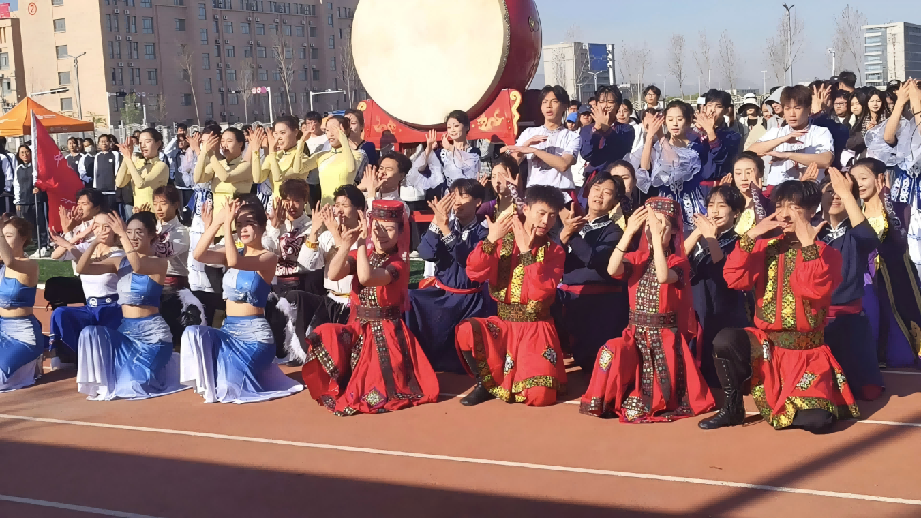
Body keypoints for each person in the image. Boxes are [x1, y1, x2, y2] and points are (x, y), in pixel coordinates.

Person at [699, 181, 858, 432]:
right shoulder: (764, 247)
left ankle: (785, 403)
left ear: (812, 211)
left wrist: (808, 247)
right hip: (767, 348)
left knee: (817, 422)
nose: (784, 214)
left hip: (806, 355)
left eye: (794, 207)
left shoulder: (827, 254)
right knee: (725, 340)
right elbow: (733, 278)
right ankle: (732, 408)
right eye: (780, 206)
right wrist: (751, 236)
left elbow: (813, 290)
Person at [580, 196, 715, 422]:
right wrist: (628, 233)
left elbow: (663, 276)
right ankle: (607, 398)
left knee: (656, 401)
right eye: (651, 225)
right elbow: (612, 270)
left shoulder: (678, 263)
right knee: (610, 349)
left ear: (674, 231)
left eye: (662, 224)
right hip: (635, 335)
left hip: (665, 340)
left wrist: (658, 242)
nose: (655, 229)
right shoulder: (636, 258)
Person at [300, 199, 440, 415]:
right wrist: (346, 244)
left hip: (385, 334)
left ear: (400, 232)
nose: (381, 234)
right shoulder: (363, 254)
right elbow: (333, 274)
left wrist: (361, 243)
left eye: (389, 229)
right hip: (358, 328)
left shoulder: (398, 263)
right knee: (324, 332)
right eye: (377, 227)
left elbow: (366, 277)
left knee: (371, 389)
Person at [181, 197, 304, 403]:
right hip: (229, 332)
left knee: (229, 389)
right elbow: (198, 255)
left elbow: (234, 261)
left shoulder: (268, 257)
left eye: (249, 223)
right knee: (193, 333)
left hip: (255, 338)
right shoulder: (232, 251)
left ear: (262, 227)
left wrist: (227, 226)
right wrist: (217, 222)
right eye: (238, 224)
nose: (242, 229)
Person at [454, 185, 567, 407]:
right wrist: (490, 239)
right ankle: (485, 384)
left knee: (540, 396)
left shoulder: (555, 251)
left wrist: (526, 254)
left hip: (536, 328)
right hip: (503, 326)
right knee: (467, 330)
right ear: (526, 209)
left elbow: (539, 293)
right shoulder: (502, 241)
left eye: (552, 216)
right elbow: (475, 273)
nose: (546, 221)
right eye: (541, 213)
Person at [75, 212, 187, 400]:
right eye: (129, 232)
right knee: (90, 333)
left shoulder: (159, 263)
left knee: (131, 387)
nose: (133, 237)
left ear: (152, 235)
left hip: (152, 337)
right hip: (126, 334)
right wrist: (94, 243)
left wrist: (122, 236)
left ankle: (163, 363)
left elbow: (138, 266)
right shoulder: (119, 262)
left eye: (139, 232)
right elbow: (82, 269)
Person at [407, 179, 494, 373]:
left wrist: (445, 229)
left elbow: (467, 261)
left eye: (464, 196)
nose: (458, 202)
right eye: (454, 196)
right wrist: (436, 223)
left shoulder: (485, 233)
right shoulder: (445, 225)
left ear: (478, 202)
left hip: (470, 300)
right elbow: (426, 253)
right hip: (444, 294)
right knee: (411, 297)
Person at [818, 167, 885, 399]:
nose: (835, 196)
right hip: (816, 322)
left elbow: (869, 240)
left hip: (850, 319)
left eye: (841, 192)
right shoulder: (811, 230)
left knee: (868, 392)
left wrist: (847, 194)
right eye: (830, 191)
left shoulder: (856, 231)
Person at [553, 171, 628, 373]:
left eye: (607, 192)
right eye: (596, 188)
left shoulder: (614, 231)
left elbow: (593, 258)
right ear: (587, 191)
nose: (599, 194)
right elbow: (550, 259)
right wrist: (563, 236)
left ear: (614, 202)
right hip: (565, 296)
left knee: (591, 366)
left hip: (595, 303)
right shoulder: (570, 223)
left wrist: (572, 234)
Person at [856, 158, 921, 368]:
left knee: (902, 352)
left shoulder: (901, 208)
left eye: (863, 178)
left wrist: (886, 201)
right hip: (868, 281)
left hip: (897, 277)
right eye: (854, 180)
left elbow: (899, 239)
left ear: (880, 178)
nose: (859, 184)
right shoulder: (854, 213)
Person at [684, 185, 752, 388]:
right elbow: (675, 261)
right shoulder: (696, 237)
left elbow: (725, 275)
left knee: (719, 375)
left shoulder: (740, 243)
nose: (715, 211)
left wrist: (711, 238)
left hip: (724, 313)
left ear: (736, 212)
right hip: (696, 311)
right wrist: (699, 233)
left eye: (722, 205)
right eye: (711, 205)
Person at [48, 211, 125, 368]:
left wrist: (71, 245)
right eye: (96, 226)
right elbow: (55, 256)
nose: (101, 230)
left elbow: (90, 266)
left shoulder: (119, 253)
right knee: (61, 313)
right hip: (90, 307)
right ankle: (70, 356)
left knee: (106, 354)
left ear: (115, 229)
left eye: (106, 227)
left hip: (112, 309)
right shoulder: (87, 247)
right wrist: (75, 238)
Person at [632, 100, 715, 230]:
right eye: (670, 119)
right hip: (665, 205)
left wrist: (661, 137)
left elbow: (675, 164)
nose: (675, 123)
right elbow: (644, 168)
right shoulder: (657, 146)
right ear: (665, 122)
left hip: (690, 205)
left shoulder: (695, 148)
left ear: (687, 121)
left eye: (679, 119)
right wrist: (650, 137)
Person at [302, 184, 366, 331]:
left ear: (359, 209)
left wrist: (337, 236)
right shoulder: (327, 236)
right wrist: (314, 231)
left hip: (354, 305)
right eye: (337, 205)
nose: (339, 210)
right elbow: (307, 264)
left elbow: (346, 267)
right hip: (330, 300)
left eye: (345, 205)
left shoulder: (364, 238)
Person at [502, 86, 580, 196]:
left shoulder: (572, 136)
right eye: (545, 102)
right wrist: (526, 144)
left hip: (561, 193)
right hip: (534, 193)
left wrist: (535, 151)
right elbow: (513, 163)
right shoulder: (529, 133)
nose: (549, 106)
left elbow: (563, 165)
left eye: (554, 101)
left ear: (564, 106)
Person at [750, 86, 834, 185]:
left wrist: (788, 155)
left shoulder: (820, 132)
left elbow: (826, 160)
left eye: (797, 108)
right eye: (787, 108)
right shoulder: (777, 132)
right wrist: (782, 139)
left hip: (810, 190)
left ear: (808, 109)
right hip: (778, 191)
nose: (792, 114)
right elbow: (750, 152)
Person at [149, 185, 198, 350]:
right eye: (155, 203)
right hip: (152, 284)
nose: (158, 208)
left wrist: (145, 234)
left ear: (176, 205)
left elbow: (162, 252)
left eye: (163, 203)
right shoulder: (153, 227)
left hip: (172, 288)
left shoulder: (180, 231)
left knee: (172, 337)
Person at [0, 216, 45, 392]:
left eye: (8, 236)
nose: (4, 240)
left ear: (23, 239)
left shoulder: (29, 265)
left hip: (23, 335)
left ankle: (33, 360)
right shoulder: (2, 268)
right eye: (3, 235)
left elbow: (10, 261)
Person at [411, 110, 482, 198]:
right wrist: (428, 149)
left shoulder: (474, 152)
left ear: (467, 127)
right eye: (449, 127)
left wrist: (450, 148)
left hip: (468, 197)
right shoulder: (442, 153)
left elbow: (468, 165)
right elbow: (420, 168)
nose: (452, 130)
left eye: (456, 126)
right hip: (448, 198)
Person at [578, 86, 635, 185]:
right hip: (594, 180)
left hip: (616, 180)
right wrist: (597, 128)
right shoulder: (586, 129)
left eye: (610, 102)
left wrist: (606, 129)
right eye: (601, 102)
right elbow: (586, 154)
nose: (605, 105)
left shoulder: (626, 129)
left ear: (618, 106)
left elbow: (620, 151)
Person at [194, 127, 253, 216]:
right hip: (217, 218)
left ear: (240, 144)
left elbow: (226, 177)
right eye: (222, 141)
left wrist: (211, 155)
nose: (224, 145)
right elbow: (197, 179)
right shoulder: (218, 164)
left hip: (236, 217)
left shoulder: (246, 166)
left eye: (229, 141)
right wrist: (203, 152)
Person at [251, 115, 310, 203]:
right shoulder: (275, 155)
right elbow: (257, 179)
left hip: (295, 207)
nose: (278, 138)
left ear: (295, 132)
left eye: (282, 133)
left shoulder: (301, 156)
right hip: (277, 207)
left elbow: (278, 178)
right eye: (276, 133)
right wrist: (255, 151)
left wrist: (272, 152)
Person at [115, 128, 169, 210]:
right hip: (138, 212)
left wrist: (129, 158)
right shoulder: (138, 163)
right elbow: (119, 183)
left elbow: (141, 184)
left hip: (154, 213)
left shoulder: (161, 166)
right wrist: (126, 157)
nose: (143, 146)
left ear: (158, 144)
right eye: (140, 143)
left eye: (147, 142)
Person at [697, 89, 743, 179]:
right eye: (709, 105)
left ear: (726, 110)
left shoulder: (733, 136)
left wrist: (710, 131)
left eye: (718, 106)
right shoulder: (694, 133)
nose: (712, 110)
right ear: (704, 108)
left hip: (720, 183)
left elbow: (720, 158)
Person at [13, 145, 49, 255]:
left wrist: (39, 188)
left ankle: (44, 245)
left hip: (37, 200)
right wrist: (17, 201)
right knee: (30, 224)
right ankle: (37, 243)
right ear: (19, 155)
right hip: (24, 201)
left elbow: (45, 181)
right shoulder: (18, 169)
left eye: (27, 152)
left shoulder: (36, 167)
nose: (25, 155)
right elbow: (17, 185)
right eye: (22, 153)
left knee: (40, 222)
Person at [344, 108, 379, 184]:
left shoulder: (368, 147)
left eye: (353, 123)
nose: (350, 127)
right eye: (346, 123)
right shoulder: (339, 146)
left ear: (362, 126)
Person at [303, 111, 330, 204]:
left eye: (314, 122)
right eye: (308, 123)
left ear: (320, 122)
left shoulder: (327, 138)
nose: (311, 125)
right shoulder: (305, 140)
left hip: (324, 178)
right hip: (309, 180)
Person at [92, 135, 122, 211]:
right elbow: (95, 172)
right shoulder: (97, 156)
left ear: (110, 143)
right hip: (100, 190)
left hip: (111, 190)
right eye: (102, 141)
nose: (104, 143)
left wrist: (117, 188)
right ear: (98, 144)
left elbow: (117, 171)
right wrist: (95, 188)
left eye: (106, 141)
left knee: (112, 212)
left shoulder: (115, 154)